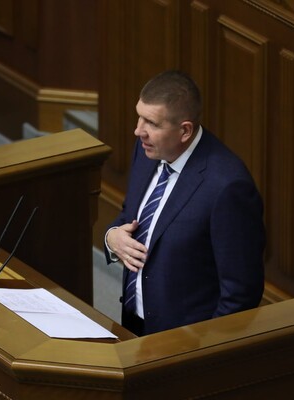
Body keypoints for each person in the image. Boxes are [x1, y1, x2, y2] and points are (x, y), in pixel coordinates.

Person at [105, 70, 265, 336]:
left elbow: (240, 293)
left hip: (186, 344)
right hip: (134, 325)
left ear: (185, 131)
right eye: (139, 116)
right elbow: (130, 216)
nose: (138, 130)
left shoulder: (227, 187)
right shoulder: (147, 151)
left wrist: (204, 349)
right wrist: (112, 238)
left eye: (152, 123)